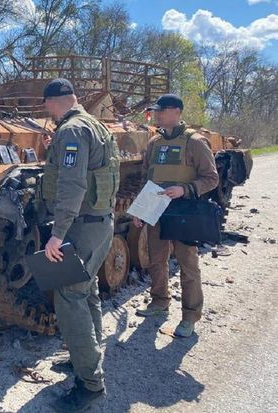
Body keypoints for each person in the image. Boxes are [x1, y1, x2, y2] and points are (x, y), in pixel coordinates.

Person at [41, 78, 120, 411]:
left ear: (54, 102)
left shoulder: (72, 130)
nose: (46, 111)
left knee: (69, 296)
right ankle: (84, 359)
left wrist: (57, 234)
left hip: (81, 226)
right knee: (87, 293)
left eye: (46, 106)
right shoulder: (93, 124)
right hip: (99, 223)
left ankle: (90, 384)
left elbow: (72, 185)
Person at [134, 94, 219, 338]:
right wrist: (140, 210)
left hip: (184, 211)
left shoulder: (195, 141)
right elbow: (145, 178)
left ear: (177, 112)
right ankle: (159, 301)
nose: (158, 115)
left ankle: (190, 316)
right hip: (156, 208)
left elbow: (211, 178)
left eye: (162, 110)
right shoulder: (154, 143)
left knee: (187, 264)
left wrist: (185, 189)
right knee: (156, 258)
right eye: (156, 111)